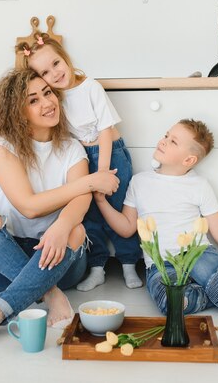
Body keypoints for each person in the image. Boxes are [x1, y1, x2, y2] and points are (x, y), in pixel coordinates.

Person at [0, 68, 120, 358]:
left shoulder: (71, 148)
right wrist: (89, 181)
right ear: (18, 110)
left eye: (48, 93)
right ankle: (50, 294)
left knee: (75, 228)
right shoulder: (1, 144)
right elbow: (28, 204)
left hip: (54, 256)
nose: (47, 103)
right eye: (33, 100)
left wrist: (62, 225)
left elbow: (80, 201)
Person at [94, 119, 218, 315]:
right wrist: (102, 202)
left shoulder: (199, 185)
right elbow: (127, 227)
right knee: (173, 304)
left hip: (197, 255)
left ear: (188, 160)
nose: (163, 141)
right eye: (166, 136)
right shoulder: (139, 182)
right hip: (160, 264)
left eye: (173, 142)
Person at [15, 34, 143, 291]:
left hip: (110, 154)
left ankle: (129, 262)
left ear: (66, 59)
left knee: (117, 209)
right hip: (83, 160)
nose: (55, 73)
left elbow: (106, 130)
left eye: (56, 63)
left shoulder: (90, 87)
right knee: (89, 216)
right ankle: (97, 267)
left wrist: (104, 172)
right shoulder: (55, 99)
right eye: (45, 72)